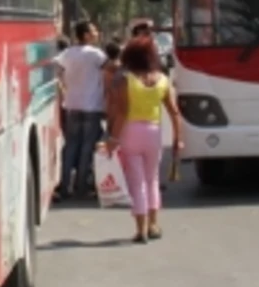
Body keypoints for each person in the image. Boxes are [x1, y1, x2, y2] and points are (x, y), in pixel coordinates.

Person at [105, 36, 183, 243]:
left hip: (130, 131)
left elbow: (121, 112)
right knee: (152, 179)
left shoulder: (126, 80)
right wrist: (178, 138)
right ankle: (154, 224)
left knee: (136, 182)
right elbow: (175, 113)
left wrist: (113, 138)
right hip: (154, 132)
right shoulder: (163, 80)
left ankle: (141, 230)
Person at [55, 20, 106, 199]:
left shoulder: (67, 54)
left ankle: (64, 185)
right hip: (91, 106)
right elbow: (108, 72)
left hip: (71, 105)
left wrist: (63, 89)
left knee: (70, 146)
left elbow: (57, 72)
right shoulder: (96, 55)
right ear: (85, 35)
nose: (96, 33)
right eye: (93, 31)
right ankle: (81, 186)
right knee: (87, 148)